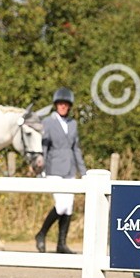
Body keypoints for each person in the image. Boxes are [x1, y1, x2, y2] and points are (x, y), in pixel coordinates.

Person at [35, 87, 87, 254]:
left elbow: (76, 149)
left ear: (69, 106)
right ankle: (41, 234)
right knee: (61, 206)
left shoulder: (73, 124)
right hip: (53, 168)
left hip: (70, 169)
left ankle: (61, 244)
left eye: (66, 104)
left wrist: (84, 172)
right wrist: (40, 169)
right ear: (56, 105)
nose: (63, 106)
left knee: (69, 207)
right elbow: (43, 146)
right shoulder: (48, 122)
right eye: (60, 104)